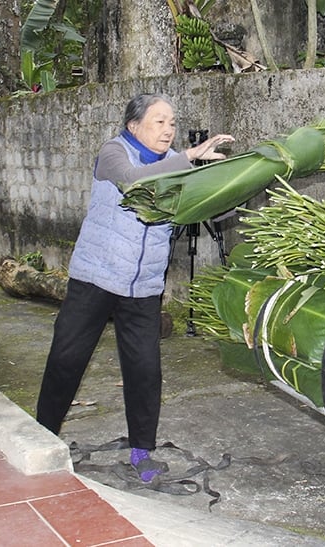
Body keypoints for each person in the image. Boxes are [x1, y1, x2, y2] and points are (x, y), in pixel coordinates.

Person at [36, 93, 235, 482]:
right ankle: (42, 437)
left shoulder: (176, 162)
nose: (169, 129)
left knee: (145, 370)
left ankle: (142, 450)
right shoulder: (115, 152)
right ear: (134, 126)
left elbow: (209, 207)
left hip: (143, 287)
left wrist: (240, 181)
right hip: (95, 278)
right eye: (159, 121)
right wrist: (190, 158)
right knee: (66, 358)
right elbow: (132, 181)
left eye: (172, 122)